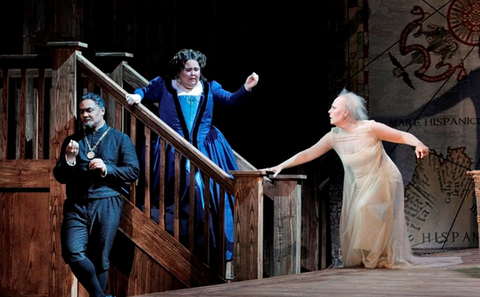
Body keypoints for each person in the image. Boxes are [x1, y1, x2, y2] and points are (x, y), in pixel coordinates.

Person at [263, 88, 462, 269]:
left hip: (384, 177)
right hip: (363, 183)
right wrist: (280, 165)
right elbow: (307, 154)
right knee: (359, 215)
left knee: (363, 208)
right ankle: (378, 256)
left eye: (334, 108)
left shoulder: (370, 128)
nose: (329, 111)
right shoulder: (334, 136)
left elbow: (401, 136)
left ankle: (376, 257)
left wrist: (418, 143)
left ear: (346, 112)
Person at [125, 48, 259, 261]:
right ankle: (188, 242)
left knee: (210, 192)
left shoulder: (209, 87)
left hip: (207, 148)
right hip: (172, 149)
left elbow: (231, 100)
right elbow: (144, 91)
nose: (193, 74)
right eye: (189, 70)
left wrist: (246, 88)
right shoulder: (165, 85)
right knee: (185, 188)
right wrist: (136, 96)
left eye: (197, 69)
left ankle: (212, 245)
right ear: (179, 70)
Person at [53, 93, 140, 297]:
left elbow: (133, 171)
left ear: (102, 111)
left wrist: (107, 168)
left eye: (89, 110)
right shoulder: (73, 141)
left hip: (107, 202)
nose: (85, 115)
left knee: (101, 258)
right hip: (77, 205)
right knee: (72, 251)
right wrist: (70, 160)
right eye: (82, 111)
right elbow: (60, 176)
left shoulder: (119, 139)